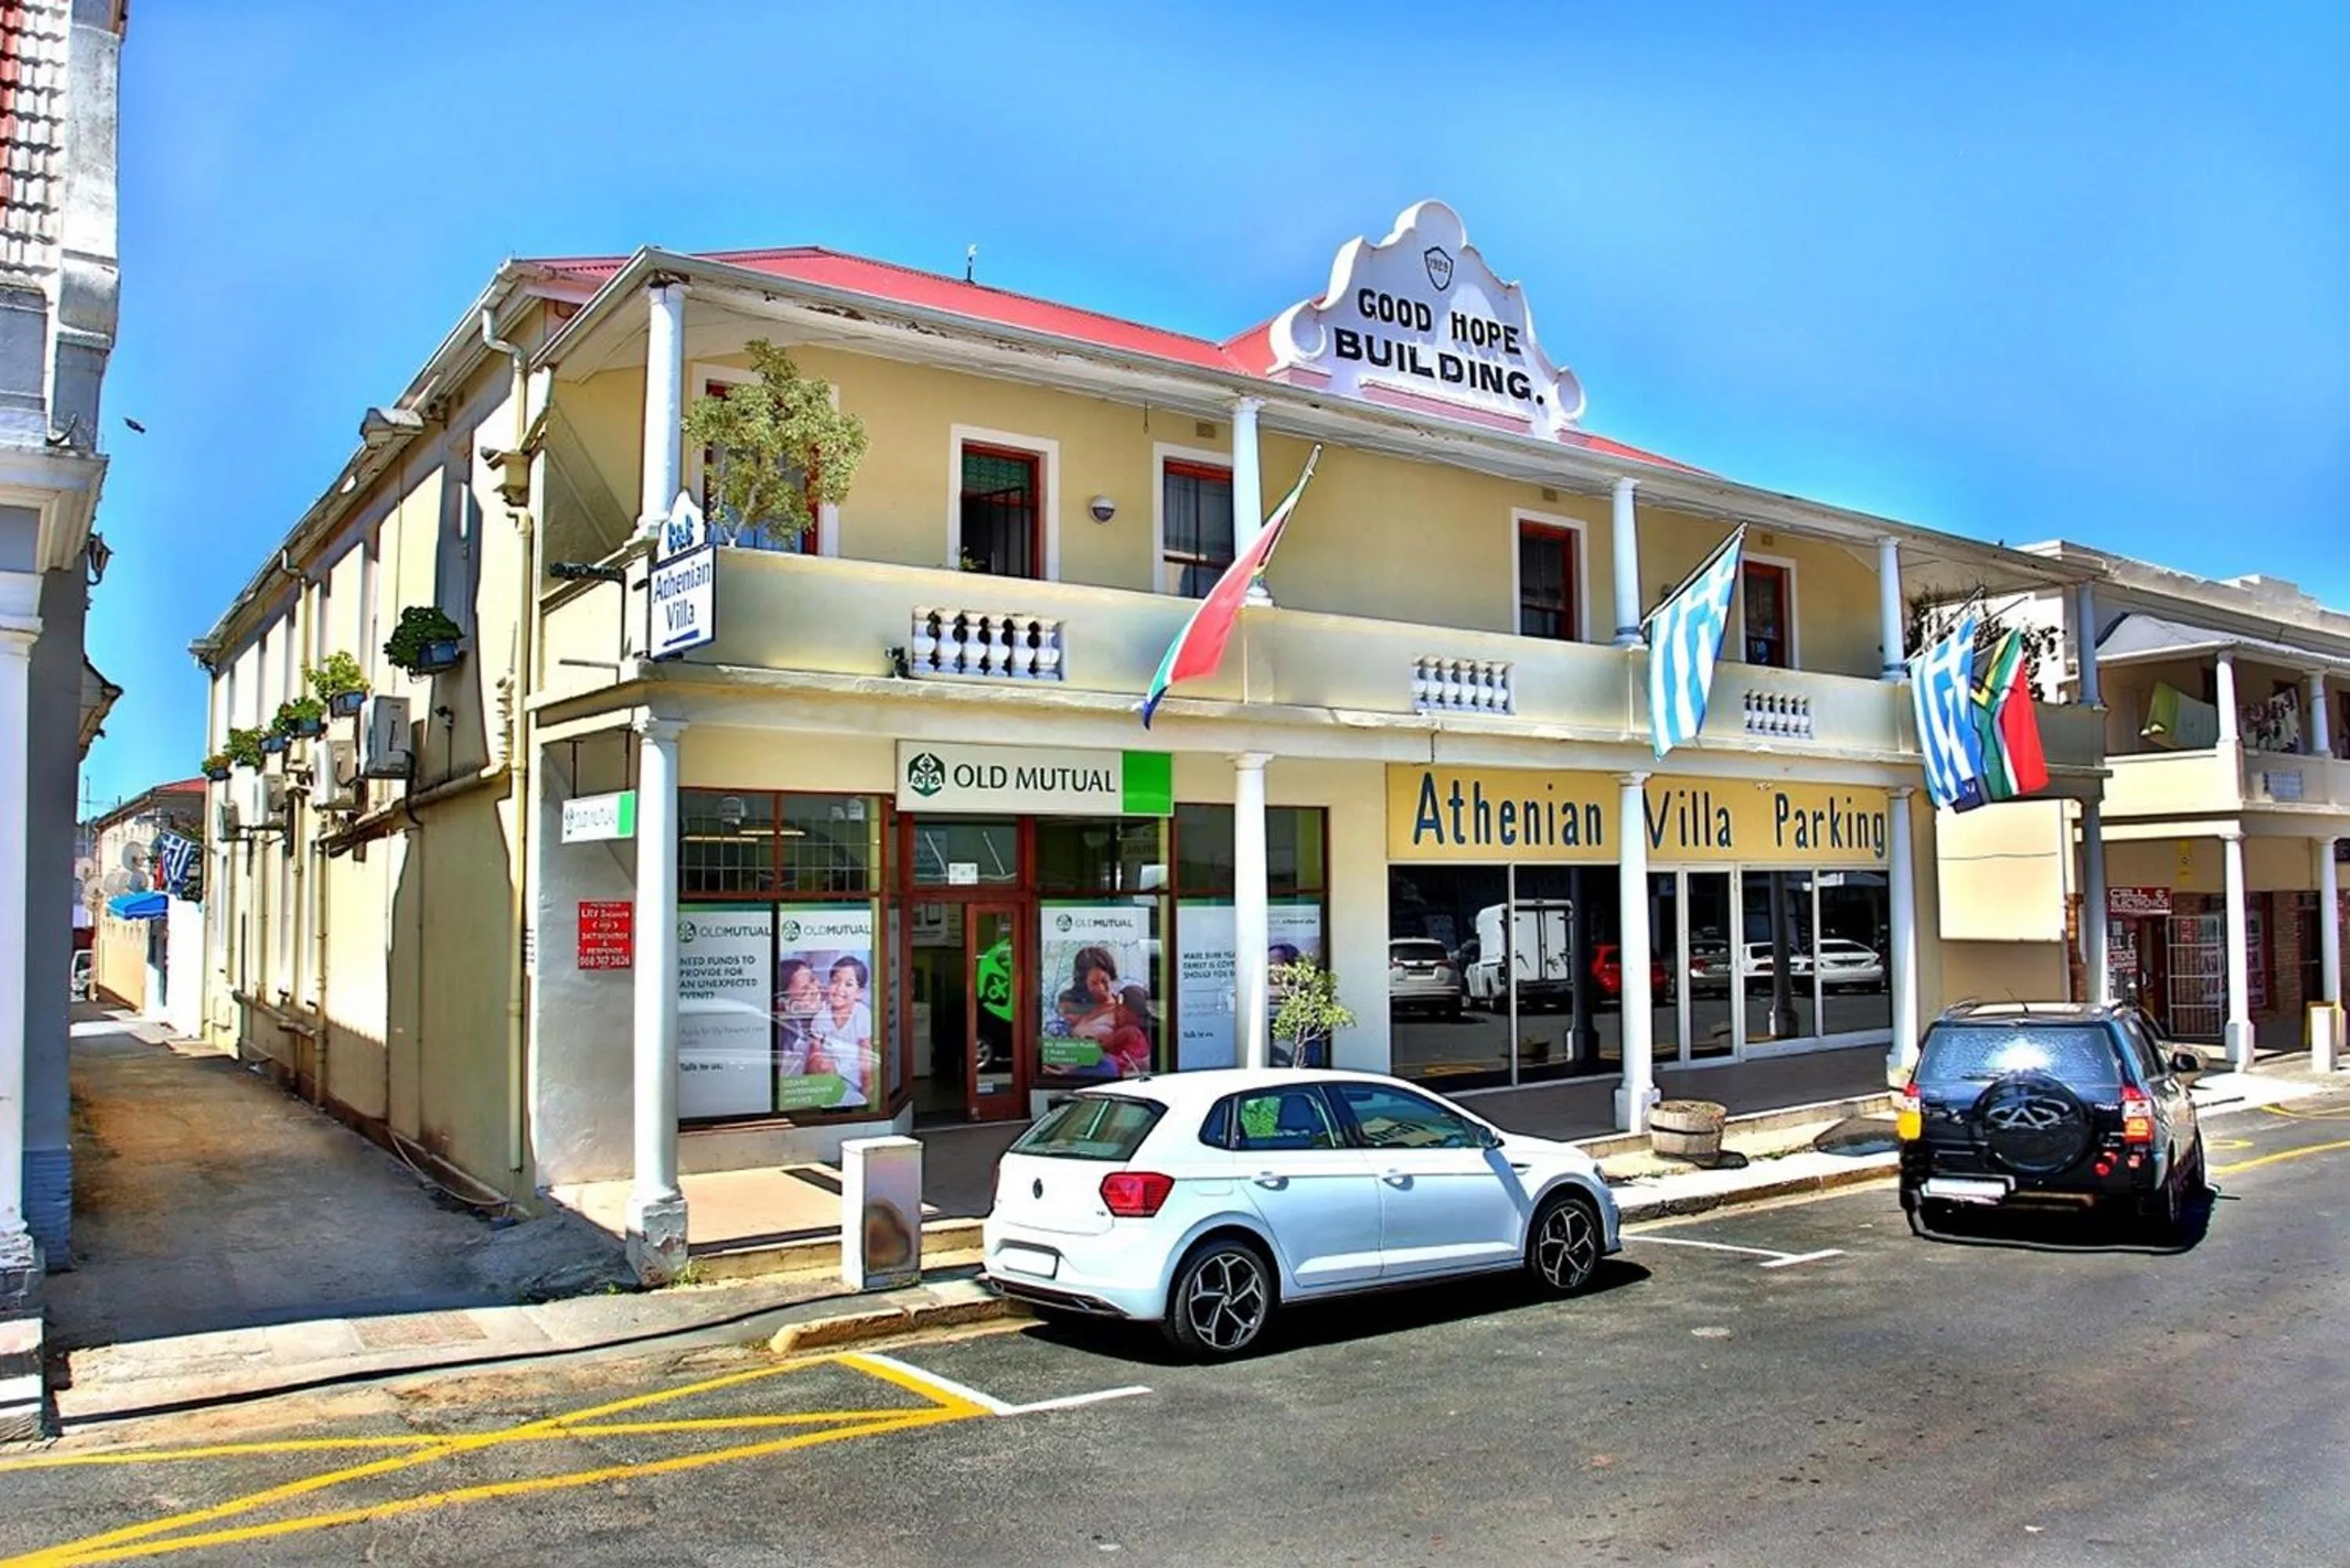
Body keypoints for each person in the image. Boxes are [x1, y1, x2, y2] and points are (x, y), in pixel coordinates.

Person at [805, 955, 874, 1108]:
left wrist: (868, 1088)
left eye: (848, 984)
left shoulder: (862, 1014)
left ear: (859, 992)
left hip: (853, 1082)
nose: (839, 989)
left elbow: (865, 1055)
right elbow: (813, 1055)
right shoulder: (821, 1018)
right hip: (829, 1080)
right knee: (823, 1062)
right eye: (835, 981)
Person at [774, 957, 823, 1075]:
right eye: (804, 992)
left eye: (813, 980)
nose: (816, 989)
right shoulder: (791, 1044)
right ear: (785, 1004)